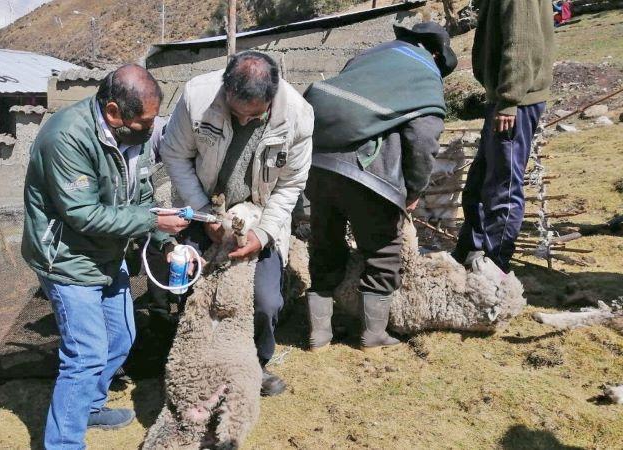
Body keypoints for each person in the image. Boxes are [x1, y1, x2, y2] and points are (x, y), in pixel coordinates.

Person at [21, 64, 189, 449]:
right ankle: (63, 443)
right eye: (146, 120)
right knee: (86, 354)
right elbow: (82, 214)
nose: (153, 127)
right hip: (66, 258)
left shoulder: (135, 134)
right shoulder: (66, 136)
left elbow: (142, 198)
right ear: (114, 112)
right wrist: (150, 219)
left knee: (121, 336)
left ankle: (89, 406)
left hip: (107, 254)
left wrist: (165, 240)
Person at [159, 51, 314, 396]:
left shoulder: (299, 117)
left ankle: (254, 365)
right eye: (236, 113)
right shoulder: (197, 97)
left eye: (254, 116)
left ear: (271, 99)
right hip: (203, 207)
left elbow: (290, 184)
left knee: (266, 301)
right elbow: (175, 154)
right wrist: (203, 211)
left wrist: (262, 234)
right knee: (193, 290)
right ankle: (195, 362)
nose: (244, 121)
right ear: (226, 89)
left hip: (260, 216)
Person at [302, 22, 456, 351]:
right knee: (384, 252)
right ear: (435, 53)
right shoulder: (423, 75)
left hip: (318, 164)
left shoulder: (371, 56)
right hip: (366, 175)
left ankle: (319, 335)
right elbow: (423, 140)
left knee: (325, 246)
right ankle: (373, 335)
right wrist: (412, 191)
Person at [452, 0, 555, 273]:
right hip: (505, 99)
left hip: (515, 101)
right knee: (480, 181)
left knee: (503, 186)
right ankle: (469, 252)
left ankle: (493, 265)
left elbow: (522, 43)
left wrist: (509, 99)